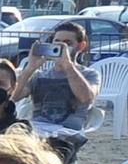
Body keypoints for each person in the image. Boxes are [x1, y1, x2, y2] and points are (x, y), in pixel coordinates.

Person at [14, 20, 101, 152]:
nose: (61, 46)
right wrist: (29, 68)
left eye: (67, 43)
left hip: (67, 136)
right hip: (36, 133)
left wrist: (68, 65)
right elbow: (13, 97)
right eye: (57, 42)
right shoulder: (39, 75)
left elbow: (86, 98)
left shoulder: (89, 75)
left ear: (81, 46)